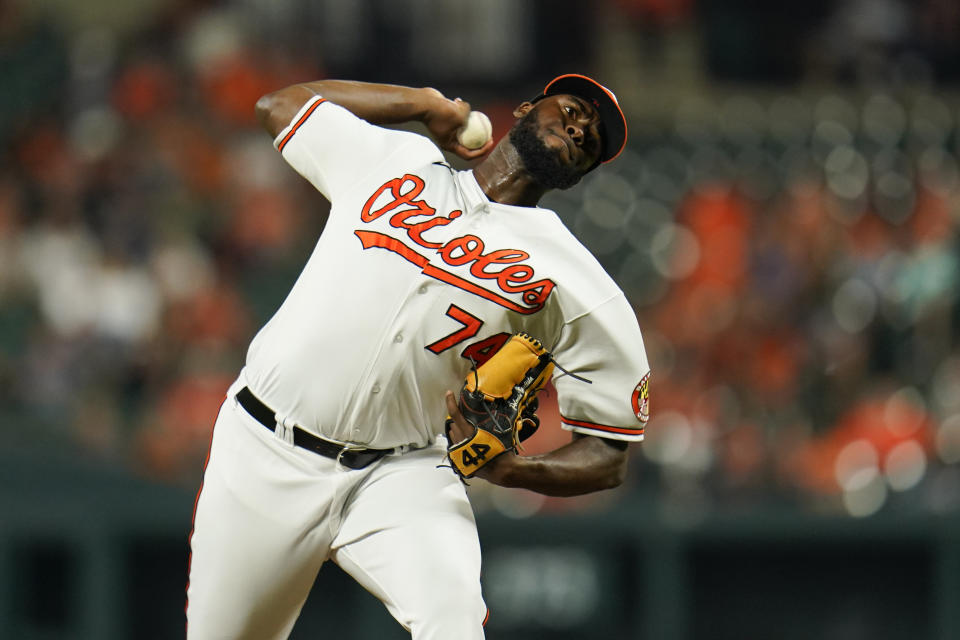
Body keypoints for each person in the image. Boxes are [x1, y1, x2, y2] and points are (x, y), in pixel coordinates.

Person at [185, 73, 650, 639]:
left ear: (580, 175)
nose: (581, 127)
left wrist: (516, 470)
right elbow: (278, 104)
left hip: (401, 471)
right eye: (575, 109)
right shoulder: (394, 159)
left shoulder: (575, 280)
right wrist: (423, 105)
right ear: (528, 107)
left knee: (454, 626)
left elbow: (610, 453)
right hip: (263, 450)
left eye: (593, 141)